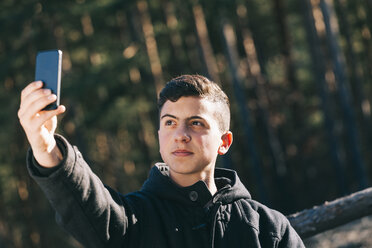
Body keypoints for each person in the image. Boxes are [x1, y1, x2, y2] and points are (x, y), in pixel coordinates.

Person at [18, 75, 304, 247]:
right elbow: (85, 203)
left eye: (195, 123)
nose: (180, 135)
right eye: (170, 123)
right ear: (159, 135)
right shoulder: (132, 222)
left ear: (224, 142)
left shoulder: (268, 228)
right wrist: (45, 147)